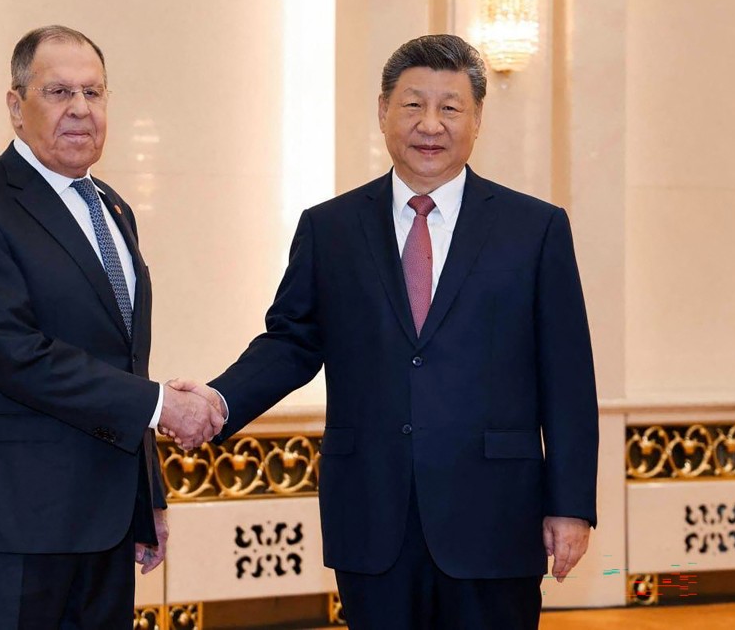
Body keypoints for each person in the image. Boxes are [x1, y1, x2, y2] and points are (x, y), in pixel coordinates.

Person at [168, 34, 598, 629]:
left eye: (450, 108)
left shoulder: (536, 228)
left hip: (495, 513)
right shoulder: (330, 229)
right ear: (382, 112)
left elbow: (568, 377)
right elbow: (291, 342)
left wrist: (571, 506)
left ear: (477, 120)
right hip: (372, 513)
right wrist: (218, 399)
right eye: (413, 104)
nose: (430, 124)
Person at [0, 25, 222, 629]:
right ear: (15, 106)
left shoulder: (114, 208)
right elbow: (11, 351)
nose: (80, 109)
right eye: (58, 92)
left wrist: (146, 497)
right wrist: (161, 408)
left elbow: (125, 362)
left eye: (94, 93)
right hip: (6, 521)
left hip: (101, 522)